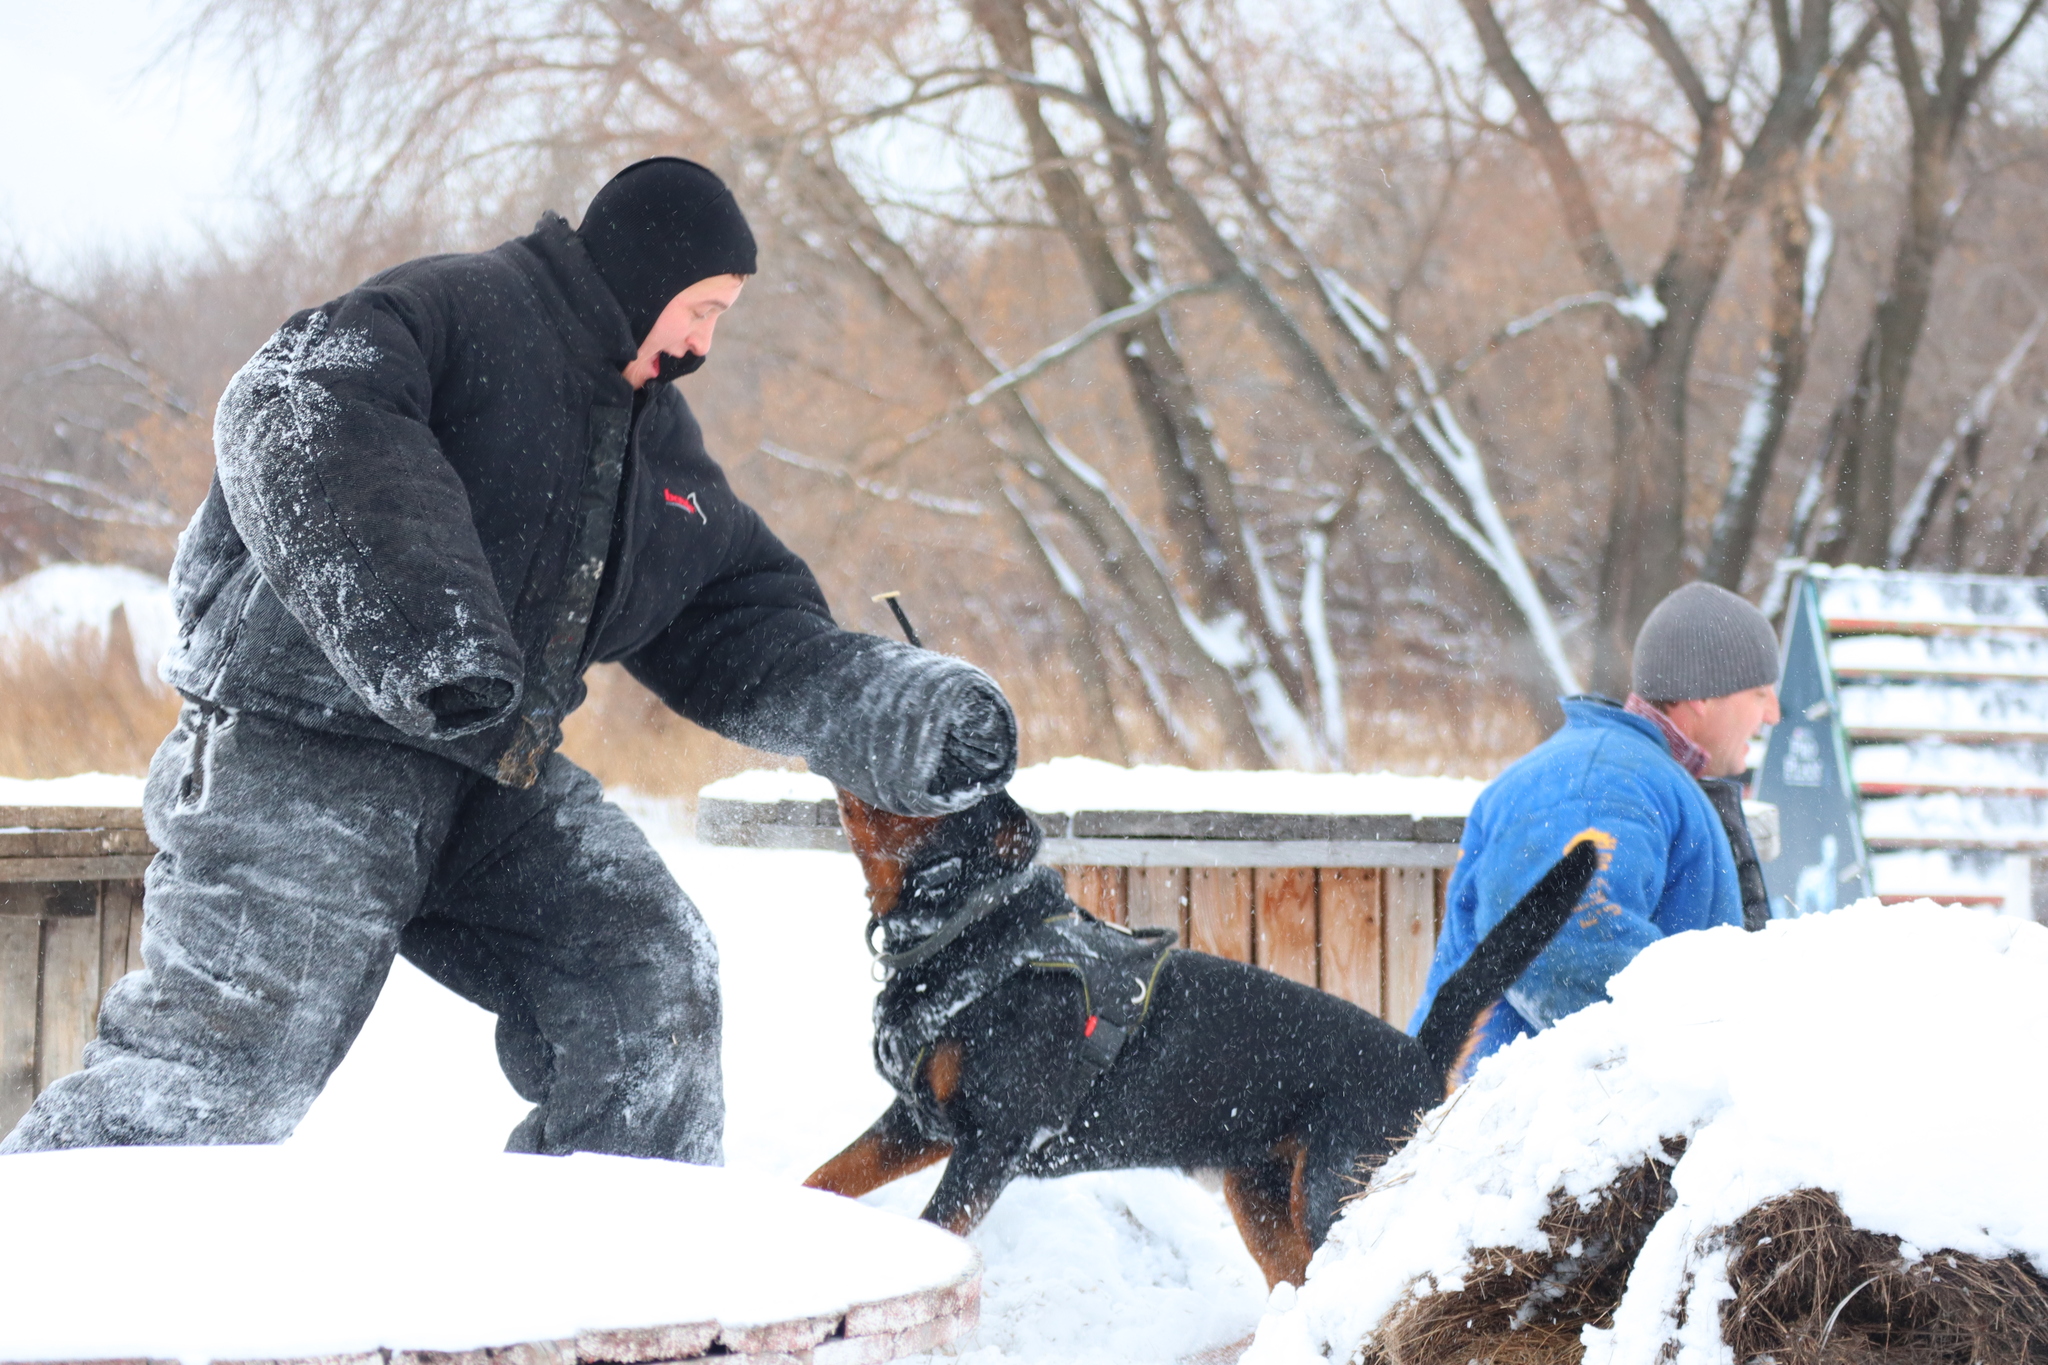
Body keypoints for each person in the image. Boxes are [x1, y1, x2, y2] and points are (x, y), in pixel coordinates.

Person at [0, 158, 1017, 1160]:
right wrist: (425, 631)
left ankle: (607, 1285)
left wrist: (908, 715)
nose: (703, 342)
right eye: (700, 309)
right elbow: (294, 403)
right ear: (645, 272)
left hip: (489, 777)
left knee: (646, 982)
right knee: (223, 1073)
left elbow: (731, 615)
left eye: (719, 319)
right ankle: (53, 1286)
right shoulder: (463, 309)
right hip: (303, 758)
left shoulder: (652, 444)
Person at [1411, 581, 1781, 1080]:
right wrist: (1696, 1063)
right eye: (1760, 693)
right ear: (1701, 695)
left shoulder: (1635, 776)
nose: (1772, 715)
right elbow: (1564, 943)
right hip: (1531, 1136)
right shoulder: (1599, 781)